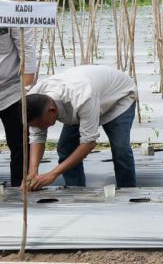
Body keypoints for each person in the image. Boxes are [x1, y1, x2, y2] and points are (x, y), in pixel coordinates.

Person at [26, 65, 137, 189]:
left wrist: (53, 174)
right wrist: (33, 171)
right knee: (66, 149)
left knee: (120, 149)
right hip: (88, 97)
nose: (41, 128)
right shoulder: (33, 101)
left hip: (118, 97)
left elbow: (89, 142)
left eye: (42, 124)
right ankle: (75, 191)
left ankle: (128, 192)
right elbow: (37, 137)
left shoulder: (82, 98)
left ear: (52, 111)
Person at [0, 22, 36, 187]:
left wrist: (25, 89)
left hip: (12, 89)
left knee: (19, 144)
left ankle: (20, 187)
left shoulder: (11, 12)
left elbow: (27, 50)